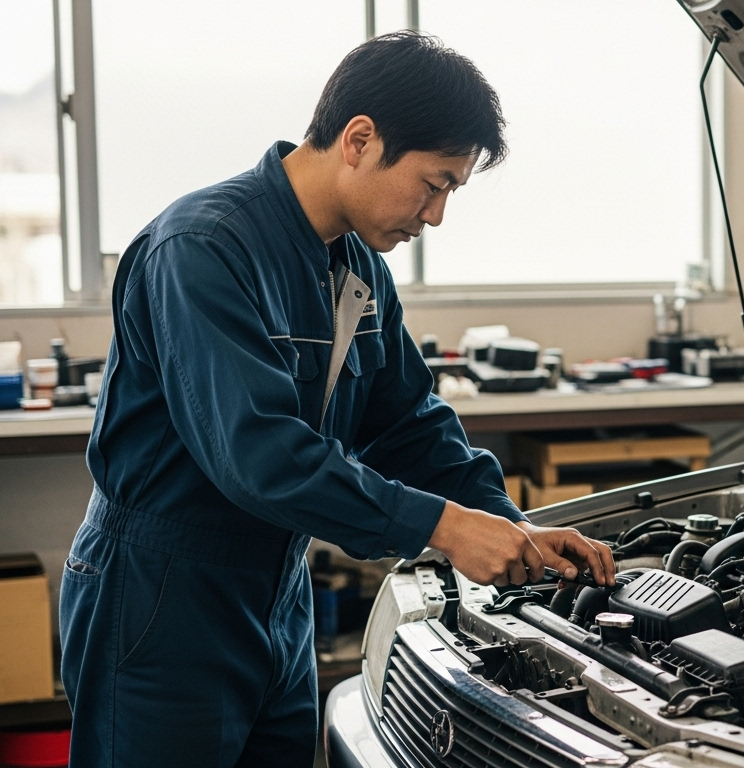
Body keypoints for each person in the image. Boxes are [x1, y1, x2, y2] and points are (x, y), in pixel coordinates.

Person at [58, 31, 615, 767]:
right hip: (163, 596)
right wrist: (446, 529)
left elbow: (410, 426)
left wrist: (515, 531)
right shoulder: (202, 249)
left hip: (277, 593)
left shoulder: (355, 266)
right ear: (359, 139)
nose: (437, 215)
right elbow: (260, 458)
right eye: (434, 182)